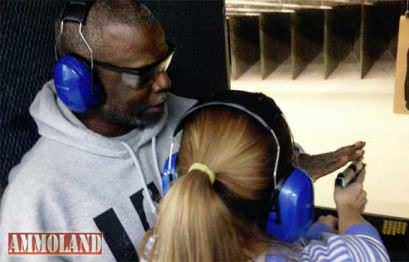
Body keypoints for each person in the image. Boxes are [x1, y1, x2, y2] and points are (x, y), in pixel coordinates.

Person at [0, 0, 365, 261]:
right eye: (143, 74)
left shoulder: (191, 117)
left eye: (165, 62)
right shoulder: (33, 201)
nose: (165, 81)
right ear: (78, 82)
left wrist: (295, 170)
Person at [141, 91, 388, 262]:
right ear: (286, 197)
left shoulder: (157, 247)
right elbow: (370, 251)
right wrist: (348, 209)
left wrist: (312, 233)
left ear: (174, 176)